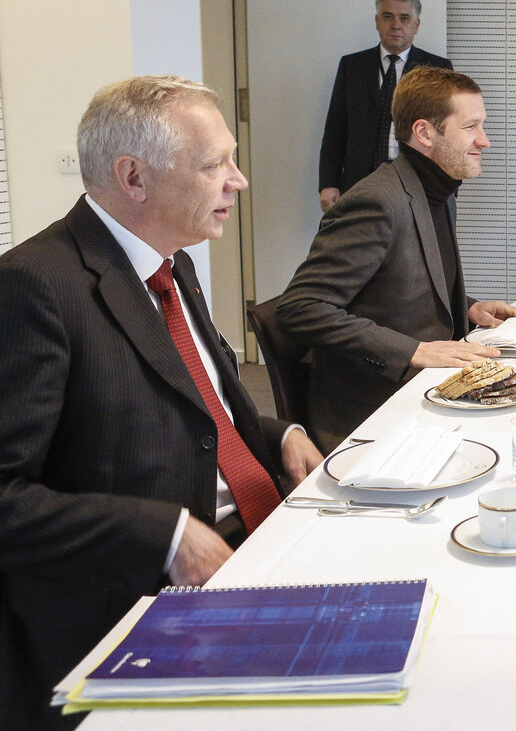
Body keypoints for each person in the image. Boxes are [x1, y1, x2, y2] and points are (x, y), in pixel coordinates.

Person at [0, 76, 324, 729]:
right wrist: (165, 535)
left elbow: (189, 412)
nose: (239, 181)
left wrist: (278, 432)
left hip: (258, 542)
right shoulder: (34, 287)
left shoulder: (173, 263)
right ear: (134, 178)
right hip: (137, 602)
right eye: (214, 165)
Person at [279, 67, 516, 452]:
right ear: (425, 133)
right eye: (471, 127)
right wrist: (414, 350)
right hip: (374, 410)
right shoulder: (377, 200)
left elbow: (398, 281)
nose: (485, 141)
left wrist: (468, 306)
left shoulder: (437, 189)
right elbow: (300, 307)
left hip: (427, 392)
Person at [318, 0, 454, 213]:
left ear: (416, 25)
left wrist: (446, 189)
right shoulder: (352, 67)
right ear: (377, 21)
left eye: (405, 18)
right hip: (359, 182)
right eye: (388, 16)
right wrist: (328, 183)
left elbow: (448, 134)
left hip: (418, 182)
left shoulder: (438, 70)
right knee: (362, 246)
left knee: (411, 247)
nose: (396, 25)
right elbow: (335, 130)